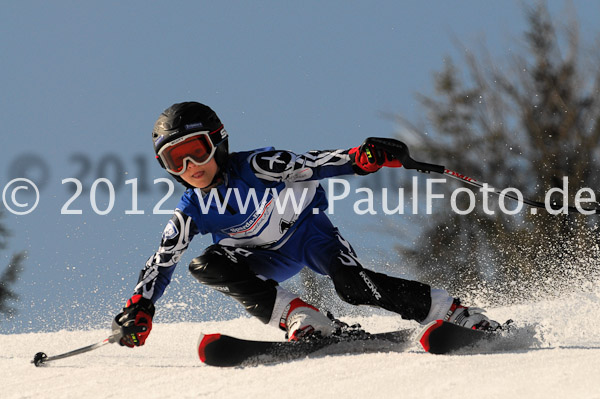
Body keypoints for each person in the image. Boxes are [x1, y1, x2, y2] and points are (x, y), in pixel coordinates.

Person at [112, 101, 499, 348]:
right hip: (260, 257)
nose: (189, 168)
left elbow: (314, 162)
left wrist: (362, 157)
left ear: (217, 142)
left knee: (352, 286)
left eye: (195, 152)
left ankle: (453, 311)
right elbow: (162, 261)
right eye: (174, 161)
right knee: (205, 264)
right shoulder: (190, 208)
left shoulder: (259, 166)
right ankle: (301, 315)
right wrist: (140, 307)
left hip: (311, 237)